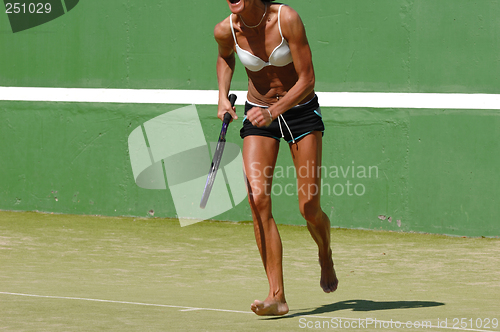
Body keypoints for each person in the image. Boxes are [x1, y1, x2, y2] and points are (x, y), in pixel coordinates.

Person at [214, 0, 338, 316]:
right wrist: (222, 97)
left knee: (309, 207)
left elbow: (307, 79)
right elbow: (225, 58)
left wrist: (273, 112)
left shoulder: (287, 19)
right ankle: (276, 295)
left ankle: (324, 251)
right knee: (257, 200)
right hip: (257, 114)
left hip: (300, 112)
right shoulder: (225, 29)